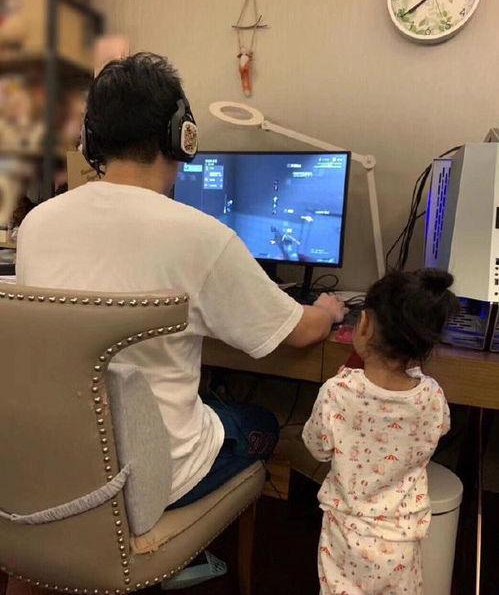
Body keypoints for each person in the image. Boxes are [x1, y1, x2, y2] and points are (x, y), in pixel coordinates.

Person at [15, 52, 346, 509]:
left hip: (61, 464)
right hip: (155, 481)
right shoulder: (201, 236)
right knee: (263, 423)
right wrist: (327, 311)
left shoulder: (36, 223)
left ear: (90, 141)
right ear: (182, 136)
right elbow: (301, 332)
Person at [303, 269, 459, 595]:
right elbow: (439, 430)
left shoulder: (337, 391)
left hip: (345, 535)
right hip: (402, 540)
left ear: (365, 325)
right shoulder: (432, 396)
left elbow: (316, 447)